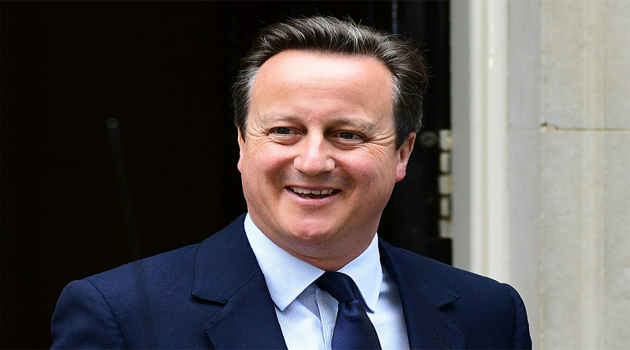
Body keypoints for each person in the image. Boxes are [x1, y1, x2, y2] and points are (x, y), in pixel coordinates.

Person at [51, 16, 532, 349]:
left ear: (403, 152)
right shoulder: (123, 315)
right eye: (284, 131)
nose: (314, 160)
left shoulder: (488, 313)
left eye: (348, 135)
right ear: (242, 144)